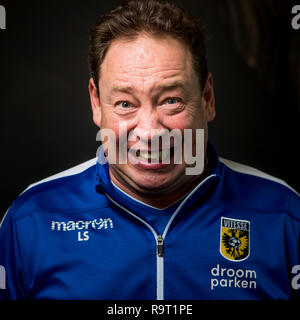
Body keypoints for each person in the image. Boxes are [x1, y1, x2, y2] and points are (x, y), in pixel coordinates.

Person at [0, 0, 299, 300]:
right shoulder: (30, 220)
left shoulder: (285, 217)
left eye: (171, 100)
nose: (150, 132)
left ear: (207, 98)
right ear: (96, 103)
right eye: (125, 104)